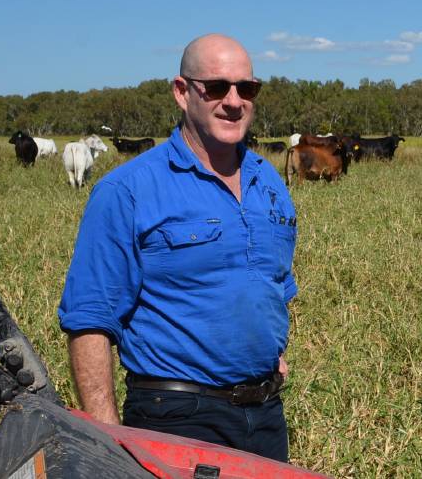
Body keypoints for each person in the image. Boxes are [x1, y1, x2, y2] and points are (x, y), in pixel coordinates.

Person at [57, 33, 298, 461]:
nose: (234, 100)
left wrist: (272, 351)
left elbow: (276, 283)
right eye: (217, 87)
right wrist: (110, 442)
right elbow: (90, 317)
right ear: (182, 92)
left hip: (264, 412)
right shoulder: (128, 190)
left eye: (247, 88)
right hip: (175, 414)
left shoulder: (269, 182)